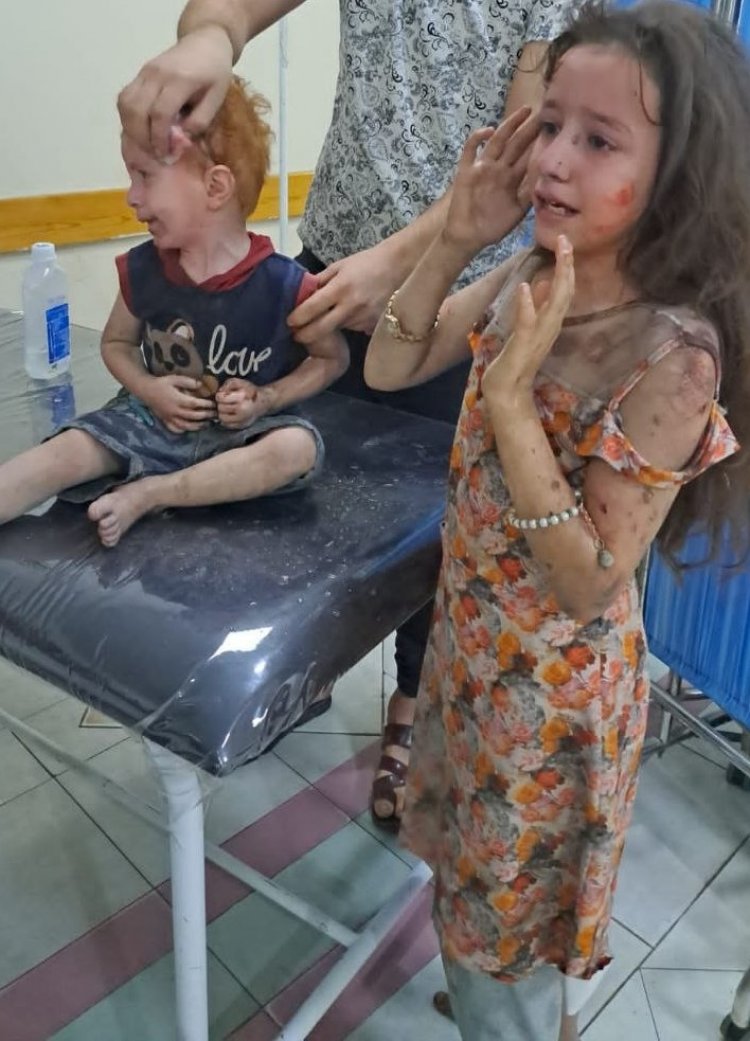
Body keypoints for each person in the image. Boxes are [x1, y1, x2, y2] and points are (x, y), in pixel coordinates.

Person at [364, 1, 750, 1037]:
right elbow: (391, 362)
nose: (552, 161)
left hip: (546, 704)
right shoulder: (534, 269)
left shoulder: (672, 356)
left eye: (599, 140)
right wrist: (455, 237)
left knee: (506, 954)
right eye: (549, 126)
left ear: (676, 174)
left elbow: (589, 578)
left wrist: (509, 407)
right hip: (472, 653)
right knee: (477, 910)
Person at [118, 0, 583, 831]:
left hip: (451, 289)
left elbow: (515, 156)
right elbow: (230, 8)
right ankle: (304, 667)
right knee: (297, 490)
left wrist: (401, 261)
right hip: (333, 269)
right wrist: (211, 37)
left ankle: (411, 701)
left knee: (432, 521)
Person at [0, 79, 347, 546]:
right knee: (62, 453)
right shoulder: (143, 269)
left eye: (145, 177)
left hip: (241, 436)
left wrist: (266, 399)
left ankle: (151, 493)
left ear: (215, 187)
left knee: (295, 448)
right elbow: (116, 343)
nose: (131, 196)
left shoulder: (285, 284)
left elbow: (332, 358)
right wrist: (150, 389)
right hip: (150, 422)